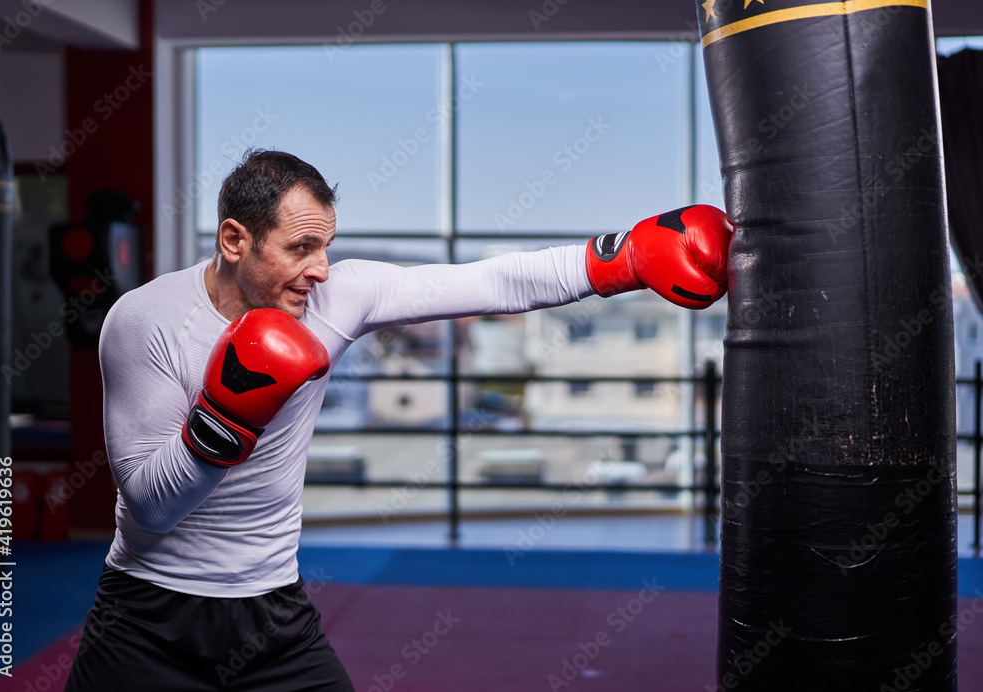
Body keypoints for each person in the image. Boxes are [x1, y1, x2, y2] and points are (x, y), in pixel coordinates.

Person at [63, 149, 733, 691]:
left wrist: (625, 258)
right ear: (235, 239)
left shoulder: (338, 295)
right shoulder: (145, 321)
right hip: (148, 616)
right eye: (300, 248)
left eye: (326, 246)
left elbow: (494, 282)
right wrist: (227, 418)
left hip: (272, 611)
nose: (319, 270)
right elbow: (150, 507)